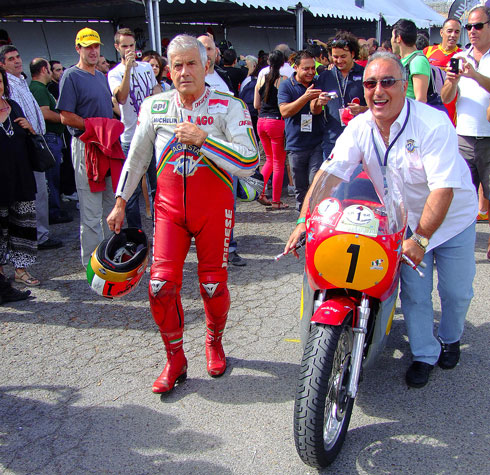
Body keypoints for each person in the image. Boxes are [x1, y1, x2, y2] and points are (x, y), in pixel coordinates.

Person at [286, 52, 478, 389]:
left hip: (451, 219)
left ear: (404, 86)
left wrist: (420, 240)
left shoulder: (433, 124)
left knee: (456, 291)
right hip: (403, 220)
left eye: (388, 82)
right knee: (416, 294)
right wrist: (305, 220)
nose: (378, 91)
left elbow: (443, 190)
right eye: (371, 83)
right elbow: (331, 173)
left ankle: (450, 339)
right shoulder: (359, 126)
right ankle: (424, 354)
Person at [107, 34, 258, 394]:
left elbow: (250, 161)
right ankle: (175, 359)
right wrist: (119, 200)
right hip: (169, 212)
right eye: (177, 65)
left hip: (213, 211)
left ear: (206, 66)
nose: (185, 71)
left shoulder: (228, 105)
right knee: (159, 286)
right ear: (168, 69)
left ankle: (214, 341)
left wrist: (205, 138)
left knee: (212, 284)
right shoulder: (154, 106)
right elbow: (138, 158)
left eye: (192, 63)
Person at [57, 27, 119, 267]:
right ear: (78, 49)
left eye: (96, 46)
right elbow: (65, 116)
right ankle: (94, 267)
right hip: (87, 148)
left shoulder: (101, 77)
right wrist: (96, 127)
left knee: (110, 205)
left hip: (107, 148)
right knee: (91, 212)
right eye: (88, 47)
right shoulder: (71, 76)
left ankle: (109, 257)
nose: (93, 51)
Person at [0, 44, 62, 252]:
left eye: (18, 57)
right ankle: (37, 237)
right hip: (23, 145)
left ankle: (38, 234)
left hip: (36, 141)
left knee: (39, 191)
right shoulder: (8, 85)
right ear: (1, 64)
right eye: (11, 59)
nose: (17, 61)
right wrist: (27, 129)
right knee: (33, 194)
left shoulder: (21, 81)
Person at [441, 5, 490, 260]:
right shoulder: (460, 56)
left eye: (478, 26)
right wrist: (453, 81)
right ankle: (464, 243)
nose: (472, 31)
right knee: (463, 196)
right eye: (469, 27)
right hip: (464, 136)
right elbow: (446, 96)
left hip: (489, 137)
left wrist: (476, 75)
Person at [108, 28, 161, 229]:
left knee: (158, 187)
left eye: (131, 45)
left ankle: (161, 229)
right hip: (130, 137)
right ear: (117, 47)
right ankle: (135, 234)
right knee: (131, 191)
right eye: (124, 46)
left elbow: (155, 90)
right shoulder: (115, 73)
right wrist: (128, 69)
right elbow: (121, 97)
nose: (129, 49)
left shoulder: (147, 68)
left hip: (153, 134)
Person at [0, 67, 40, 287]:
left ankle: (21, 270)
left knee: (22, 227)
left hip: (21, 177)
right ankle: (0, 275)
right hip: (1, 182)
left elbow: (29, 140)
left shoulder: (13, 107)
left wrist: (29, 128)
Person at [278, 50, 324, 211]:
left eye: (313, 68)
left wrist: (319, 102)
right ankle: (301, 222)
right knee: (300, 188)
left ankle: (315, 218)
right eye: (306, 68)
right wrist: (305, 97)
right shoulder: (286, 85)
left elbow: (316, 110)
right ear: (295, 67)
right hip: (296, 144)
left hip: (317, 142)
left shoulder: (319, 82)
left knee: (315, 182)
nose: (311, 72)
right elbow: (284, 111)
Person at [29, 58, 72, 225]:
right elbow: (44, 113)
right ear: (44, 70)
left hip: (54, 138)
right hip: (49, 138)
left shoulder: (41, 88)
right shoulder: (39, 89)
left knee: (54, 178)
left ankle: (54, 210)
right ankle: (53, 212)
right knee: (51, 179)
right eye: (51, 69)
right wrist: (65, 119)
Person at [311, 31, 368, 160]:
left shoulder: (365, 74)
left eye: (343, 56)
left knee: (356, 180)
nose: (339, 60)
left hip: (359, 140)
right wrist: (319, 103)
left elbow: (376, 106)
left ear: (353, 54)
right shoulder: (325, 76)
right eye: (335, 57)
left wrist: (362, 110)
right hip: (332, 140)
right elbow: (314, 109)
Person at [254, 50, 289, 210]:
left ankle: (260, 192)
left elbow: (256, 105)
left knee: (268, 159)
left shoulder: (260, 79)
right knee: (278, 163)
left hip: (261, 121)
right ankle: (276, 201)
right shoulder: (283, 81)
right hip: (276, 122)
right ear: (283, 63)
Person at [423, 18, 462, 125]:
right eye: (449, 31)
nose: (453, 35)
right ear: (441, 32)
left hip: (451, 108)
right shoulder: (428, 51)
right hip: (431, 106)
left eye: (457, 32)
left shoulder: (462, 55)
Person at [391, 19, 430, 103]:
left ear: (398, 38)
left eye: (392, 36)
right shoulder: (403, 61)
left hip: (410, 114)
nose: (391, 40)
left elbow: (421, 99)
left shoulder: (417, 61)